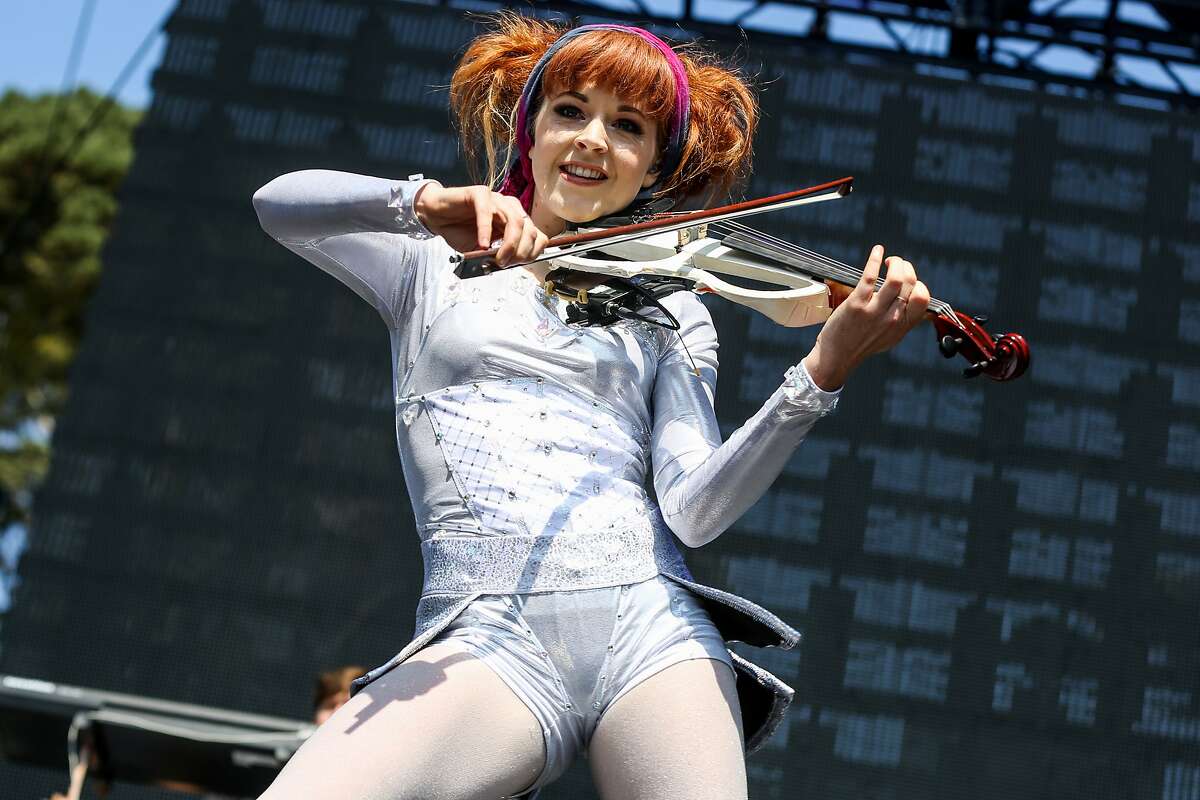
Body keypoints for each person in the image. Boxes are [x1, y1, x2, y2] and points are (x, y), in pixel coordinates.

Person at [251, 14, 929, 800]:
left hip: (653, 627)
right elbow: (278, 204)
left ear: (651, 169)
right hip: (489, 631)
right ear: (528, 128)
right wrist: (421, 201)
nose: (593, 141)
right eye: (570, 110)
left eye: (629, 127)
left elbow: (696, 512)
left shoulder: (671, 309)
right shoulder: (429, 263)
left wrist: (823, 369)